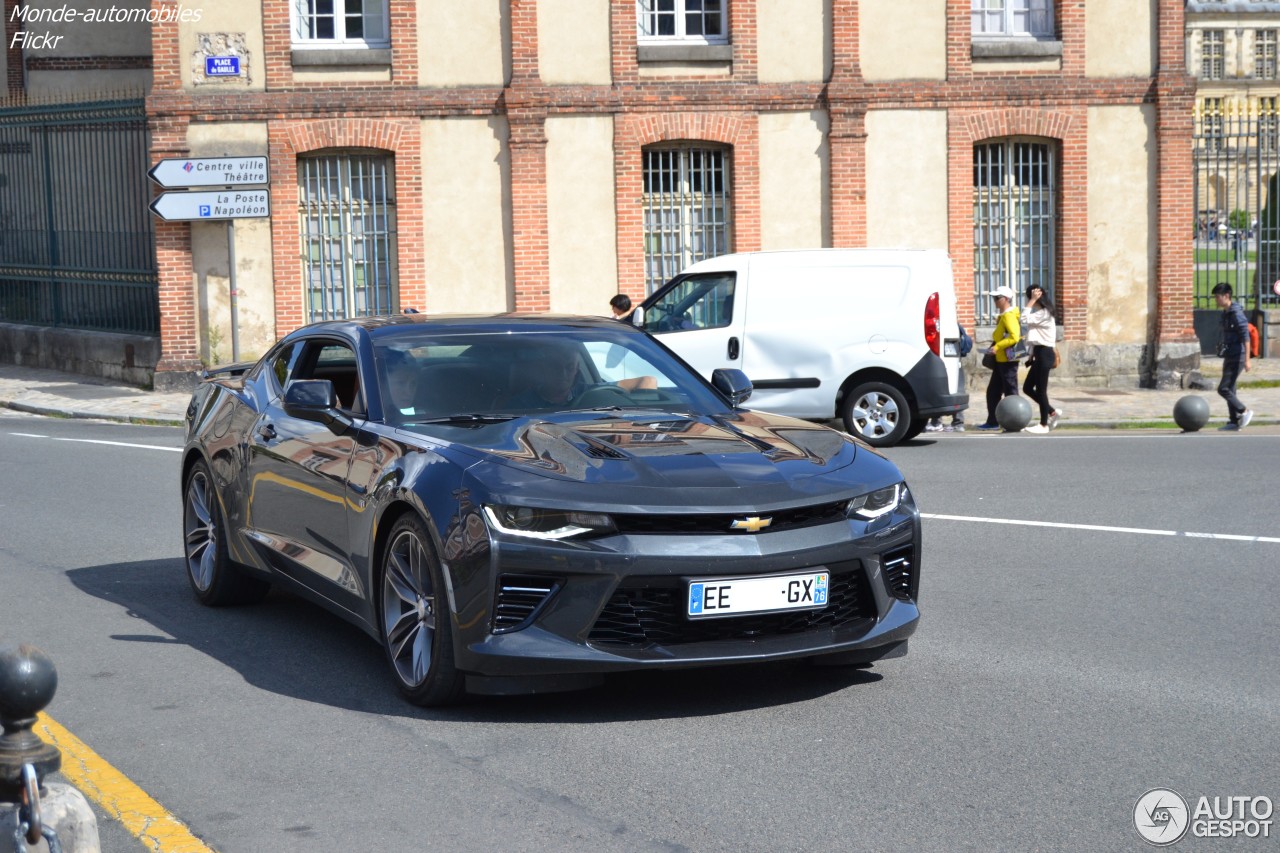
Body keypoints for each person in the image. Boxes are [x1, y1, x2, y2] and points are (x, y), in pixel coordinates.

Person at [975, 286, 1022, 431]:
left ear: (1006, 299)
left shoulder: (1008, 315)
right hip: (1001, 360)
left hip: (1008, 361)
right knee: (993, 392)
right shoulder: (1004, 315)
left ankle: (1015, 421)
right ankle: (993, 421)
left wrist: (997, 346)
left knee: (1010, 392)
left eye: (997, 298)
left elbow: (1015, 337)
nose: (994, 301)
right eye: (994, 298)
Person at [1020, 284, 1061, 434]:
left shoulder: (1045, 313)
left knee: (1041, 390)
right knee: (1027, 388)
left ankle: (1044, 424)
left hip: (1045, 354)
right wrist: (1031, 355)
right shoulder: (1041, 313)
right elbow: (1036, 337)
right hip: (1039, 354)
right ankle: (1052, 412)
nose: (1029, 300)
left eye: (1029, 297)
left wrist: (1031, 300)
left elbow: (1023, 318)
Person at [1212, 282, 1254, 430]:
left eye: (1217, 297)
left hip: (1238, 356)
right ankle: (1233, 421)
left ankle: (1244, 411)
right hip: (1230, 355)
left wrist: (1247, 360)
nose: (1216, 300)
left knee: (1223, 389)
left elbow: (1246, 337)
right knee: (1231, 388)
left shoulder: (1236, 314)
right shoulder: (1226, 313)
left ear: (1226, 296)